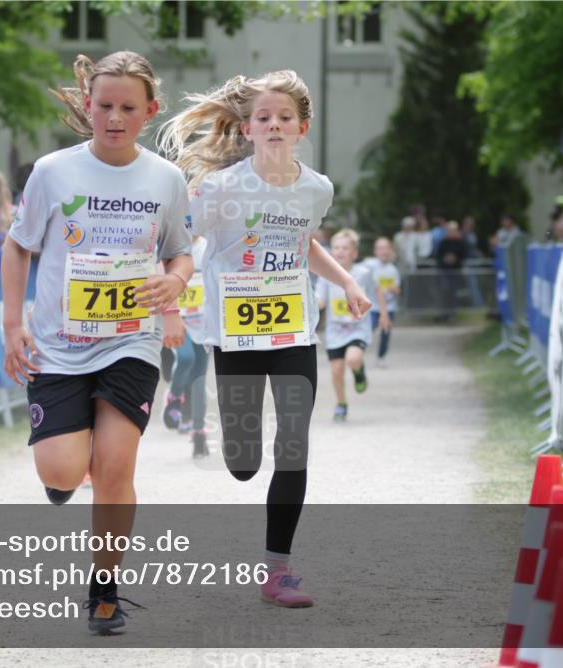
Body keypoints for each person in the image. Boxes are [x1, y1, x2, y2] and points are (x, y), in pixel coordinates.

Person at [159, 69, 372, 607]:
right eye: (263, 117)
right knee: (244, 463)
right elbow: (180, 243)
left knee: (294, 443)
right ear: (247, 128)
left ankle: (278, 571)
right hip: (236, 337)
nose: (274, 125)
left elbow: (307, 244)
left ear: (302, 127)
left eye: (284, 117)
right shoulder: (220, 188)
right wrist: (171, 299)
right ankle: (238, 453)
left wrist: (347, 282)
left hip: (293, 331)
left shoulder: (316, 188)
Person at [1, 51, 193, 634]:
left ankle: (105, 589)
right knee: (63, 471)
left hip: (131, 340)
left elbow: (179, 251)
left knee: (114, 467)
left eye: (128, 108)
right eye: (104, 105)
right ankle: (63, 470)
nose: (114, 118)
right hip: (59, 343)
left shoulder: (166, 178)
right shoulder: (52, 171)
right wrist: (13, 325)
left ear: (150, 112)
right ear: (88, 105)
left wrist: (176, 282)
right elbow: (18, 245)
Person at [317, 229, 381, 421]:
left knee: (353, 359)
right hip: (335, 331)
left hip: (357, 328)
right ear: (330, 252)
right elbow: (320, 300)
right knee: (336, 371)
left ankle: (358, 371)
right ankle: (341, 403)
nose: (340, 251)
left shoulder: (363, 273)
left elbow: (376, 291)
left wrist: (383, 314)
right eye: (336, 247)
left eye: (345, 248)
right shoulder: (325, 275)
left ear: (354, 253)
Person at [162, 237, 211, 458]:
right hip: (178, 320)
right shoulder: (172, 245)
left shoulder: (207, 246)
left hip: (203, 321)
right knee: (186, 358)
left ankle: (198, 433)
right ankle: (174, 397)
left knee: (199, 377)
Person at [361, 236, 399, 366]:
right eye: (380, 248)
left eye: (386, 248)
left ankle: (381, 357)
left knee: (386, 332)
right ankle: (358, 355)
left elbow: (397, 289)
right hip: (373, 307)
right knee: (368, 330)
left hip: (389, 307)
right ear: (375, 251)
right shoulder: (369, 265)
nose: (384, 251)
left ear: (390, 250)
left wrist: (393, 290)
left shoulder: (393, 269)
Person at [436, 221, 468, 321]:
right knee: (444, 292)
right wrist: (445, 260)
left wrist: (455, 260)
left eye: (453, 230)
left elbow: (464, 257)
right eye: (449, 230)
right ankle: (444, 313)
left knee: (453, 293)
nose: (451, 232)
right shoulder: (443, 242)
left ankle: (452, 313)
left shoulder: (461, 243)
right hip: (444, 272)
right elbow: (438, 257)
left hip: (456, 272)